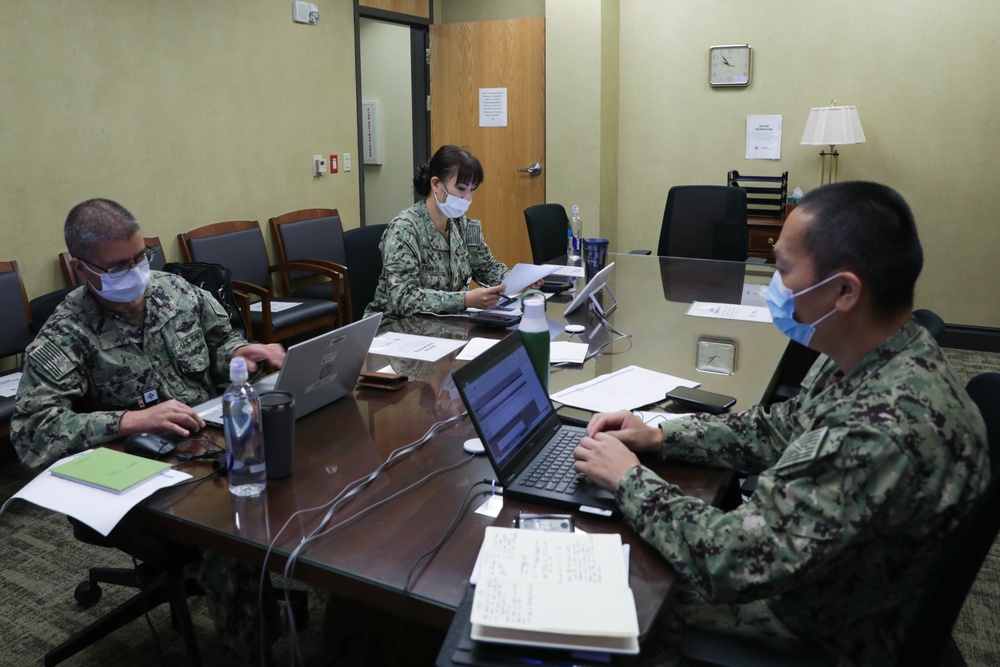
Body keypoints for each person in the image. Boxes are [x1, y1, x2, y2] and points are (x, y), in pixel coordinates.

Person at [573, 182, 989, 665]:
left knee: (629, 594)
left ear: (844, 291)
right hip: (831, 575)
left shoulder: (878, 430)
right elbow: (782, 428)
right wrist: (661, 434)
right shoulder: (878, 352)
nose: (773, 283)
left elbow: (728, 560)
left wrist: (628, 479)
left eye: (783, 269)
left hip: (824, 628)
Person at [12, 198, 287, 660]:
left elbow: (223, 343)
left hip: (207, 441)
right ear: (82, 270)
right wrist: (128, 419)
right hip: (134, 475)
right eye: (118, 265)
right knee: (229, 530)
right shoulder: (66, 332)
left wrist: (242, 357)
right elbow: (32, 433)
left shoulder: (176, 291)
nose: (136, 271)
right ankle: (252, 652)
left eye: (140, 257)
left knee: (299, 469)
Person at [364, 144, 512, 320]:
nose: (468, 198)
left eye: (472, 190)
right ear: (436, 184)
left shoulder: (464, 225)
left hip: (443, 322)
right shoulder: (404, 230)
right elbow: (403, 298)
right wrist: (464, 300)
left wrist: (517, 282)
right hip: (398, 327)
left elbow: (485, 267)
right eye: (461, 188)